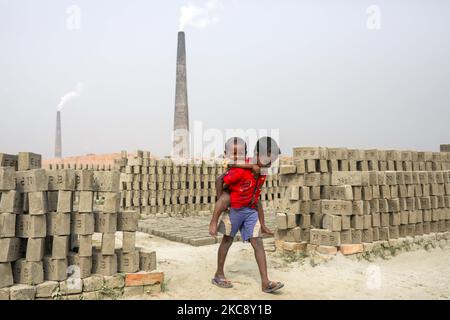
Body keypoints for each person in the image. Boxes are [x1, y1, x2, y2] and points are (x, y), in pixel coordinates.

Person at [209, 136, 284, 293]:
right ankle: (219, 274)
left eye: (273, 162)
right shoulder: (240, 171)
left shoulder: (262, 173)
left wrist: (262, 224)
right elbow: (220, 182)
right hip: (234, 210)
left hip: (250, 211)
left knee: (258, 243)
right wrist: (221, 205)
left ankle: (265, 282)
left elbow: (257, 199)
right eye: (269, 160)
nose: (270, 165)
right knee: (227, 241)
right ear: (258, 154)